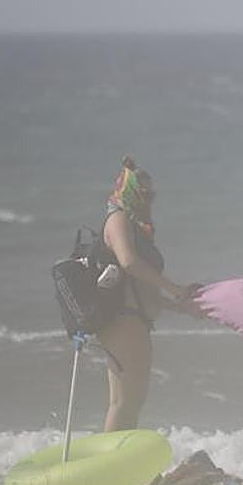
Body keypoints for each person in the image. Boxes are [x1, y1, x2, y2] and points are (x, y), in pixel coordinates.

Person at [95, 156, 194, 431]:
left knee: (129, 402)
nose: (150, 199)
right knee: (124, 402)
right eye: (143, 192)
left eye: (152, 193)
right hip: (123, 320)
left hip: (134, 319)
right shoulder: (118, 219)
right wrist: (175, 287)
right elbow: (129, 263)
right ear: (128, 191)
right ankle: (113, 466)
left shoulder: (136, 227)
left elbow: (141, 287)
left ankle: (116, 463)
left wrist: (178, 305)